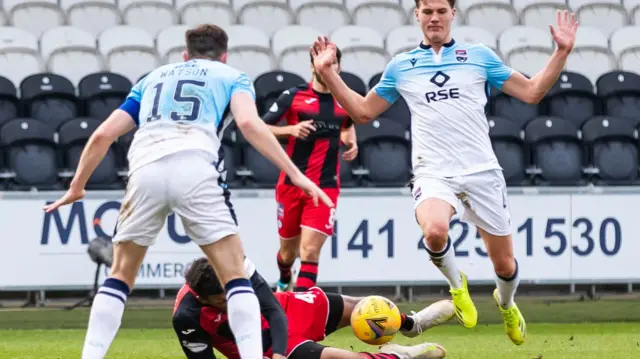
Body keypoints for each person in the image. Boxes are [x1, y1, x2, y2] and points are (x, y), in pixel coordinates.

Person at [43, 24, 334, 359]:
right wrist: (296, 174)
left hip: (144, 168)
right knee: (235, 275)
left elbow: (102, 136)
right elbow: (250, 124)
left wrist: (77, 187)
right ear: (224, 54)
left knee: (120, 276)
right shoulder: (232, 76)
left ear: (185, 54)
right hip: (196, 166)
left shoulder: (151, 79)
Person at [309, 0, 579, 346]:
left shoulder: (479, 56)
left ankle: (507, 303)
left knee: (505, 266)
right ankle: (457, 285)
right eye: (427, 11)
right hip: (433, 172)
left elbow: (531, 92)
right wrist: (329, 73)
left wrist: (561, 51)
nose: (434, 17)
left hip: (482, 172)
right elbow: (362, 112)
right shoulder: (402, 66)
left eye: (440, 11)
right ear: (416, 15)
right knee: (434, 233)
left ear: (453, 14)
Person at [173, 257, 454, 359]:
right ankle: (398, 356)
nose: (234, 295)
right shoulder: (187, 317)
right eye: (224, 298)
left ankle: (410, 324)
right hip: (263, 348)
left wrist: (281, 353)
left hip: (283, 316)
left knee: (360, 307)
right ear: (203, 298)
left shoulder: (236, 265)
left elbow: (272, 307)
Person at [262, 47, 358, 292]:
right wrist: (289, 130)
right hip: (291, 185)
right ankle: (284, 277)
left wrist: (351, 139)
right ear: (313, 66)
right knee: (287, 254)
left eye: (334, 62)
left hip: (325, 186)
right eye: (322, 61)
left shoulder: (345, 100)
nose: (328, 66)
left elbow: (346, 124)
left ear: (338, 67)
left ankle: (300, 309)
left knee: (310, 250)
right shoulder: (292, 97)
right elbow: (261, 128)